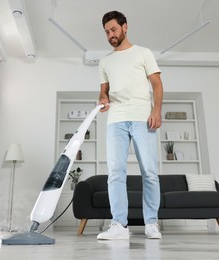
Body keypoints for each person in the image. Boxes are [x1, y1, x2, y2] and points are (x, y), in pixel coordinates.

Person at [97, 10, 164, 240]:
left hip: (142, 116)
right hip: (115, 119)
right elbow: (103, 91)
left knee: (150, 172)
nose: (110, 35)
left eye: (113, 29)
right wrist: (103, 99)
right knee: (115, 173)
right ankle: (119, 226)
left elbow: (156, 84)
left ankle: (151, 224)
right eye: (107, 32)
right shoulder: (105, 61)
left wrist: (156, 110)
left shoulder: (143, 53)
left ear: (125, 27)